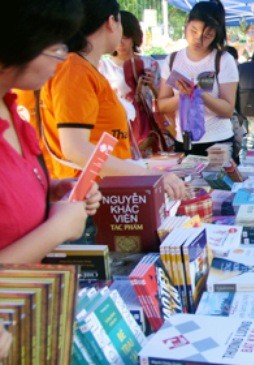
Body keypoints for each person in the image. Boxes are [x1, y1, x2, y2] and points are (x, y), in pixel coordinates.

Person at [39, 0, 184, 200]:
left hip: (103, 193)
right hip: (90, 197)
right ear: (111, 22)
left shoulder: (85, 69)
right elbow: (75, 148)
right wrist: (149, 175)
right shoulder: (74, 70)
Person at [0, 0, 102, 264]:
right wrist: (59, 228)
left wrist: (52, 190)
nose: (60, 60)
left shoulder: (11, 108)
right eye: (56, 46)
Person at [157, 1, 239, 157]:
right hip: (184, 141)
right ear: (186, 25)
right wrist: (182, 96)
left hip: (218, 143)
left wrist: (200, 94)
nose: (198, 39)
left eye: (207, 35)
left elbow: (228, 110)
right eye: (193, 31)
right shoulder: (173, 59)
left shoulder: (224, 60)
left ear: (216, 35)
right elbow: (162, 105)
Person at [98, 11, 168, 158]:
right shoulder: (103, 66)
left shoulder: (150, 63)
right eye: (119, 38)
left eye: (126, 38)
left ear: (134, 37)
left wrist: (152, 87)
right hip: (120, 126)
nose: (121, 43)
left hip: (147, 127)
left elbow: (162, 100)